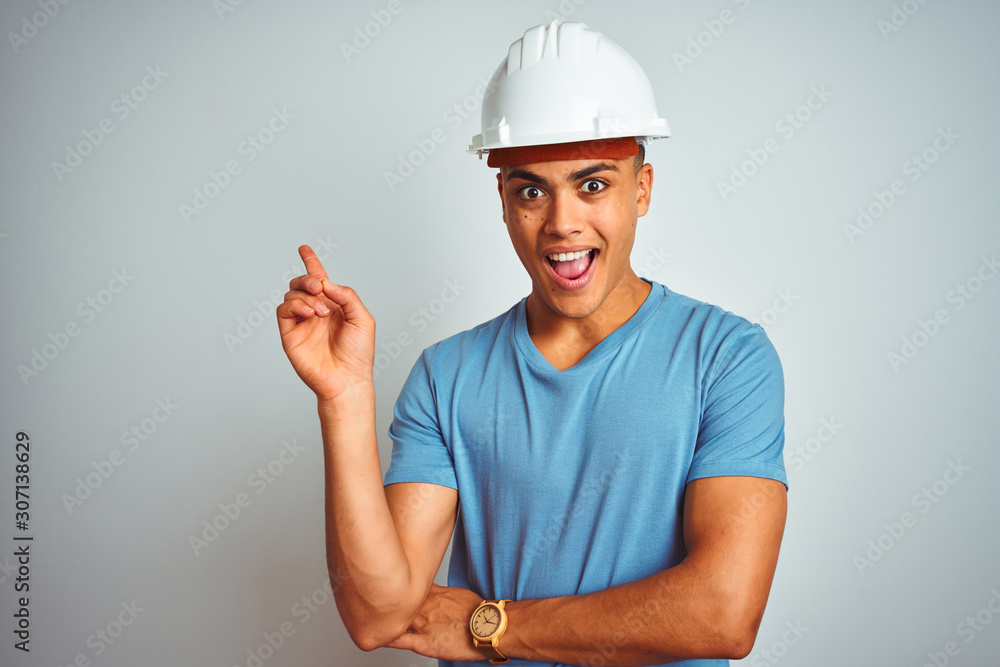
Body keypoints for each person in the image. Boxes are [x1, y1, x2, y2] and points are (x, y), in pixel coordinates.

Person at [277, 20, 787, 667]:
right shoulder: (446, 375)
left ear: (643, 190)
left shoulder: (727, 357)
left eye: (593, 184)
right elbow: (379, 613)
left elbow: (723, 612)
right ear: (502, 199)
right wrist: (345, 400)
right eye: (530, 190)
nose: (562, 222)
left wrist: (489, 625)